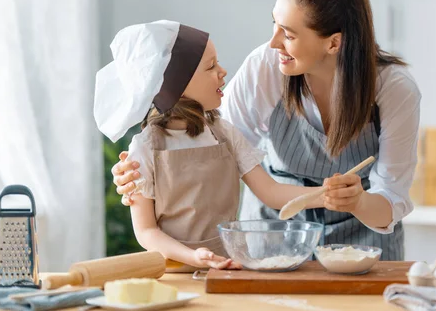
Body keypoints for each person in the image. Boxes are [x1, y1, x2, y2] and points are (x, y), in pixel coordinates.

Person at [111, 0, 421, 260]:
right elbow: (210, 150)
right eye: (274, 24)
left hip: (364, 250)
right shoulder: (266, 66)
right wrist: (139, 177)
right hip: (277, 241)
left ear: (333, 43)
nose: (273, 43)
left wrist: (356, 202)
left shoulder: (394, 90)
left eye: (288, 34)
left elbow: (390, 197)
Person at [95, 21, 360, 270]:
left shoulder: (223, 132)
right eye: (210, 67)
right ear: (178, 85)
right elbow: (146, 232)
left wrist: (324, 193)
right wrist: (193, 257)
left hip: (228, 265)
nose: (222, 72)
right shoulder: (145, 148)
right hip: (174, 271)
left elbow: (270, 191)